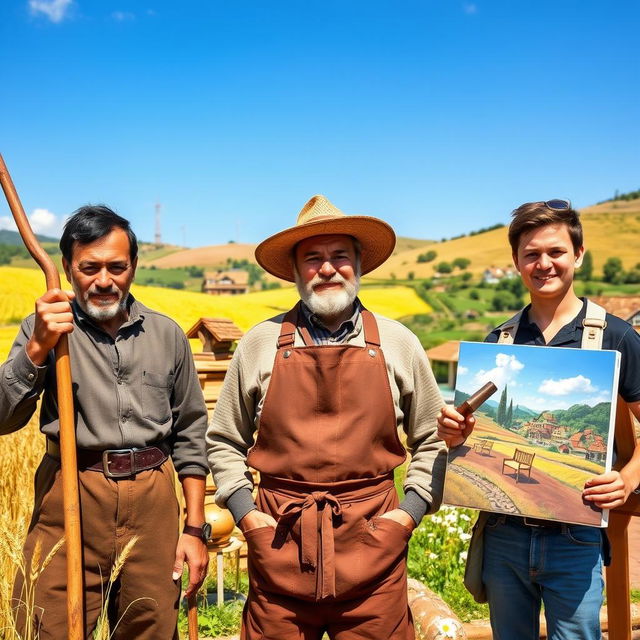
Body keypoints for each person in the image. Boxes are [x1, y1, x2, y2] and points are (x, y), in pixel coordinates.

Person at [207, 194, 447, 639]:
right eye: (313, 258)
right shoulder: (259, 344)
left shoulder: (398, 343)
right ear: (296, 272)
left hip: (375, 550)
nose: (327, 268)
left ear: (359, 264)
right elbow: (223, 439)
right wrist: (246, 515)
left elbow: (433, 439)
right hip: (279, 542)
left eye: (340, 256)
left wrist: (407, 516)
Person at [0, 205, 210, 639]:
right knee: (46, 624)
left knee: (150, 625)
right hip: (72, 490)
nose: (103, 280)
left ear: (133, 266)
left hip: (154, 498)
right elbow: (4, 418)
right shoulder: (44, 329)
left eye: (117, 267)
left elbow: (191, 433)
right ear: (66, 267)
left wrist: (193, 528)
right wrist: (38, 347)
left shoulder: (166, 334)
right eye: (89, 267)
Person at [438, 199, 640, 640]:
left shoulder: (617, 335)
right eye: (531, 254)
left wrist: (626, 479)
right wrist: (454, 432)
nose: (543, 264)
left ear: (579, 255)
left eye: (556, 252)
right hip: (502, 535)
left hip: (577, 540)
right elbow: (464, 436)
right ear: (516, 262)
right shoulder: (500, 339)